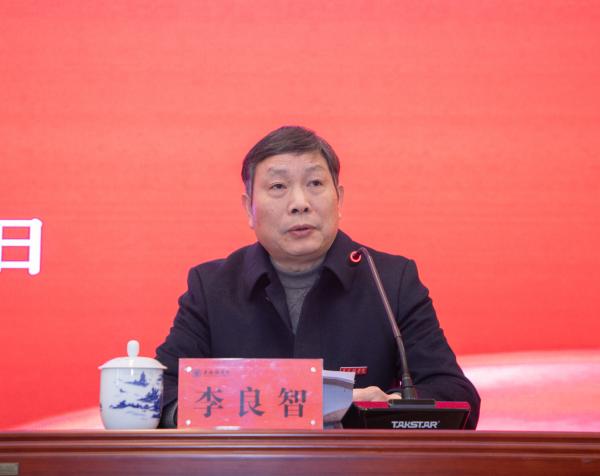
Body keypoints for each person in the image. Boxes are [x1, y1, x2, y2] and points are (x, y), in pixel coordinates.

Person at [155, 125, 480, 428]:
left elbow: (456, 394)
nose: (300, 203)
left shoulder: (390, 281)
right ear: (248, 209)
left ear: (340, 199)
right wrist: (311, 406)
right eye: (278, 187)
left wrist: (388, 407)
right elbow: (160, 394)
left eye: (315, 184)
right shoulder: (211, 288)